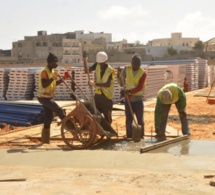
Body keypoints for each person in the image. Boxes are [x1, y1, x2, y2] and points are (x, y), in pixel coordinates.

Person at [37, 52, 70, 144]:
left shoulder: (51, 72)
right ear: (50, 63)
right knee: (59, 110)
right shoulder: (45, 72)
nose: (57, 64)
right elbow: (44, 84)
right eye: (55, 62)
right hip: (43, 97)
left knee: (49, 117)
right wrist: (52, 78)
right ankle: (72, 128)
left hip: (49, 97)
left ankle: (45, 139)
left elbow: (54, 84)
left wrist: (64, 78)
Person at [117, 54, 147, 139]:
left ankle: (141, 135)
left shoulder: (143, 73)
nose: (135, 68)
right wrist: (118, 76)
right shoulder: (126, 69)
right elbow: (120, 82)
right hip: (128, 99)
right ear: (131, 64)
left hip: (138, 99)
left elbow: (140, 86)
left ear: (139, 65)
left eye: (136, 67)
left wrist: (130, 91)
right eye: (134, 66)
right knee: (129, 119)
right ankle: (129, 136)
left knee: (140, 119)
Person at [85, 51, 115, 124]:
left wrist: (94, 84)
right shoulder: (97, 65)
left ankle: (108, 131)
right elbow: (87, 71)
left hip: (106, 97)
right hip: (98, 95)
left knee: (107, 117)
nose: (100, 64)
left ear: (106, 61)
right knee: (95, 114)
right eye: (99, 63)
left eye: (102, 63)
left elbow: (108, 84)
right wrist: (84, 60)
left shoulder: (110, 70)